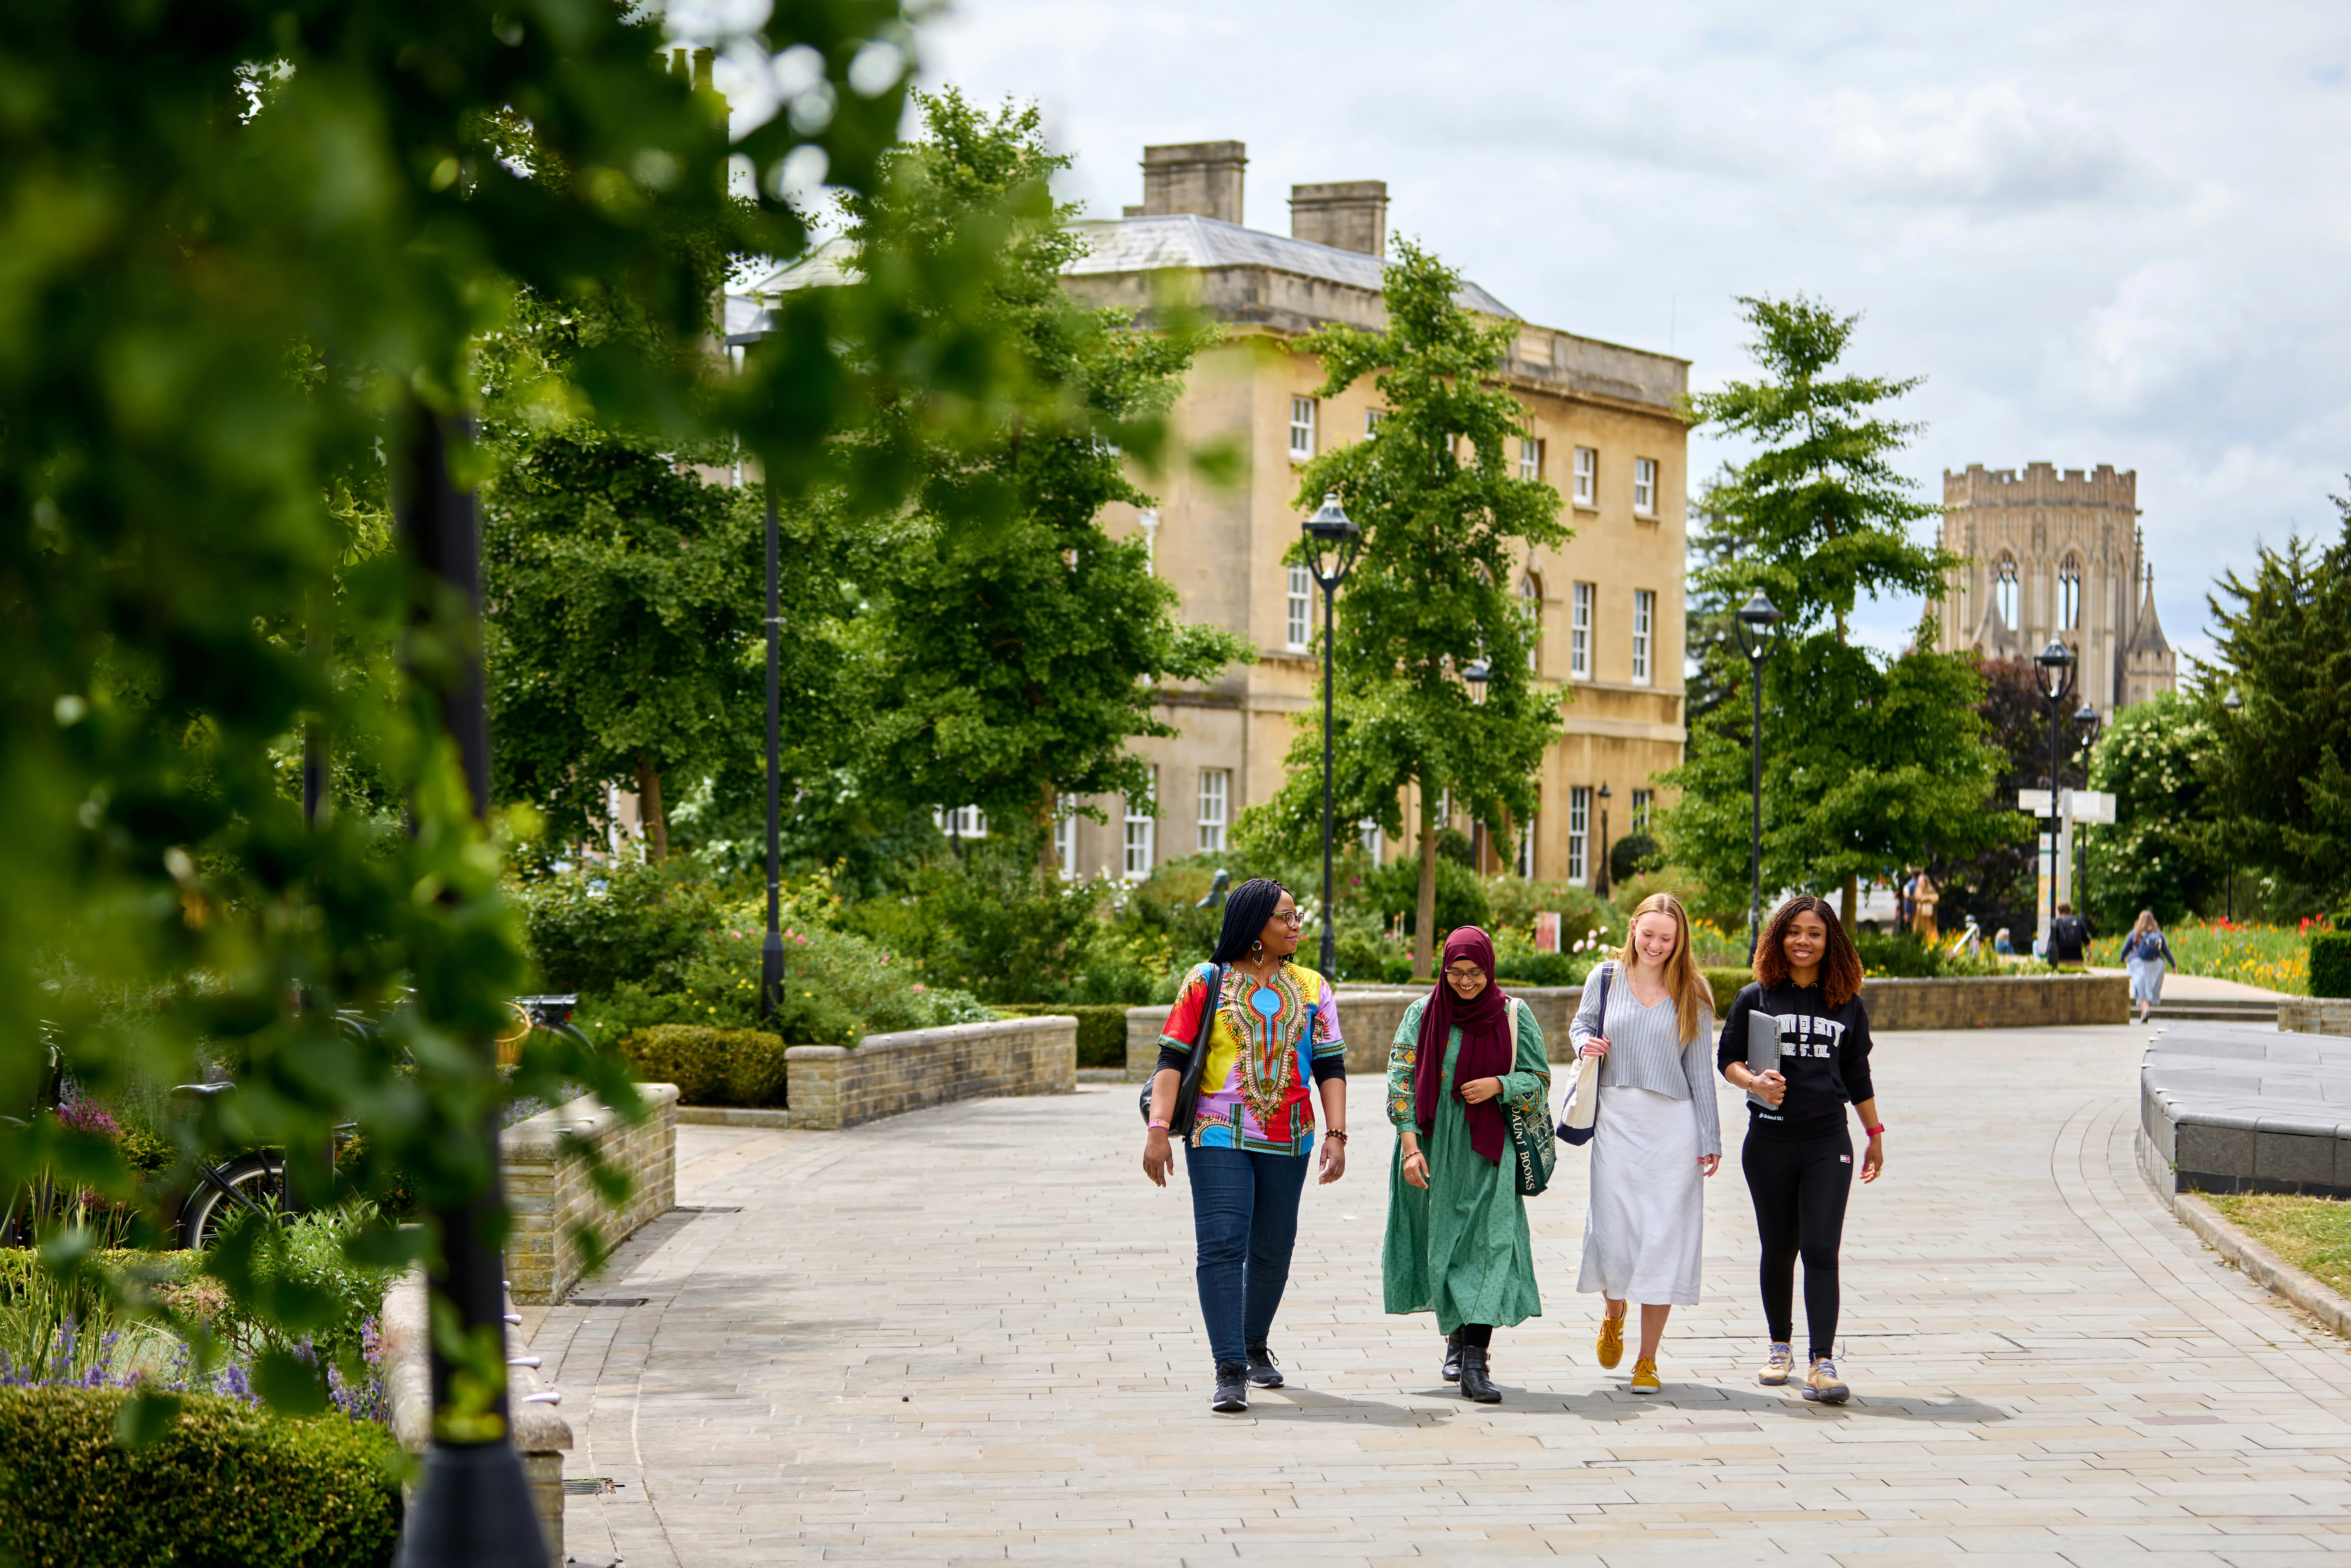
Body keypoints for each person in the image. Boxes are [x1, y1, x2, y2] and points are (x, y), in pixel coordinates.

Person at [1142, 878, 1348, 1413]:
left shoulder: (1310, 987)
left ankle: (1253, 1343)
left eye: (1297, 916)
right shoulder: (1205, 981)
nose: (1296, 925)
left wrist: (1335, 1133)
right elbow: (1170, 1061)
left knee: (1274, 1246)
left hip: (1291, 1134)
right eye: (1285, 917)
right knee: (1221, 1244)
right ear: (1255, 925)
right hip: (1217, 1131)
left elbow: (1330, 1066)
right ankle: (1228, 1367)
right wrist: (1157, 1131)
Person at [1716, 894, 1885, 1405]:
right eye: (1793, 932)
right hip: (1767, 1141)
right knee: (1778, 1248)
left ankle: (1821, 1362)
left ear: (1829, 940)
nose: (1803, 942)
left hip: (1825, 1141)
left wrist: (1874, 1135)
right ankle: (1778, 1347)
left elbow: (1857, 1074)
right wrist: (1754, 1084)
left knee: (1819, 1250)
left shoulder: (1846, 1005)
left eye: (1813, 933)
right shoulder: (1756, 997)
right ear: (1777, 938)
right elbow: (1726, 1059)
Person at [1382, 927, 1550, 1403]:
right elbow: (1399, 1081)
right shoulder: (1422, 1013)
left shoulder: (1514, 1014)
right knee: (1444, 1248)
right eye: (1455, 972)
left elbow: (1539, 1079)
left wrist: (1500, 1084)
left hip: (1489, 1150)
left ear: (1489, 968)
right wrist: (1411, 1148)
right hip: (1433, 1150)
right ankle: (1455, 1337)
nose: (1465, 982)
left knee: (1490, 1247)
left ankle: (1475, 1361)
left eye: (1475, 972)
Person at [1570, 893, 1720, 1394]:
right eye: (1648, 933)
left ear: (1679, 942)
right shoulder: (1604, 978)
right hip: (1615, 1119)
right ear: (1633, 927)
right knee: (1613, 1232)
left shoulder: (1691, 990)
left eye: (1666, 938)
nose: (1655, 945)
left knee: (1663, 1239)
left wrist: (1709, 1136)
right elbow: (1579, 1025)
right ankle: (1613, 1312)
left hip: (1672, 1128)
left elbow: (1699, 1069)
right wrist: (1583, 1045)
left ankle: (1647, 1360)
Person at [2122, 909, 2174, 1024]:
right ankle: (2144, 1014)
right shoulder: (2158, 934)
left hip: (2138, 965)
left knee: (2141, 990)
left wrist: (2122, 959)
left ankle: (2145, 1011)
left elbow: (2126, 949)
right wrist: (2174, 965)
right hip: (2155, 966)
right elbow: (2166, 951)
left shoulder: (2135, 933)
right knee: (2149, 989)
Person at [2047, 902, 2091, 968]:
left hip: (2061, 959)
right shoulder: (2078, 921)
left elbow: (2052, 941)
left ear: (2059, 912)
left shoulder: (2057, 922)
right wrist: (2090, 953)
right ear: (2070, 911)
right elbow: (2086, 940)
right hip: (2077, 959)